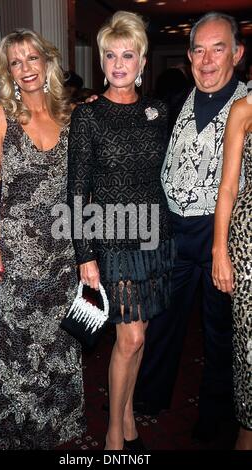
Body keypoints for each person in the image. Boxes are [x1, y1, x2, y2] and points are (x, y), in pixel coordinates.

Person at [135, 12, 246, 442]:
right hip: (173, 231)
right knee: (163, 319)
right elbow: (132, 124)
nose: (207, 59)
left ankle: (215, 420)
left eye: (218, 48)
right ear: (188, 55)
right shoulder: (174, 101)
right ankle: (149, 396)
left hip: (223, 236)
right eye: (198, 49)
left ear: (237, 53)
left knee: (220, 334)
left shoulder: (248, 103)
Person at [67, 11, 175, 451]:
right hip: (112, 239)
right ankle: (114, 432)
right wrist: (84, 254)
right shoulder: (88, 117)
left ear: (143, 62)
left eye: (127, 55)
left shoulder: (158, 111)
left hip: (154, 236)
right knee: (128, 337)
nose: (118, 63)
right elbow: (76, 191)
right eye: (110, 55)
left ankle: (127, 415)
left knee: (140, 336)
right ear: (101, 60)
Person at [0, 29, 85, 450]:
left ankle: (57, 429)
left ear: (47, 61)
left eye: (32, 59)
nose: (25, 69)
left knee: (61, 342)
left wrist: (86, 249)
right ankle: (20, 434)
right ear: (8, 69)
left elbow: (82, 189)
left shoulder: (71, 115)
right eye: (16, 62)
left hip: (62, 252)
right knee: (20, 349)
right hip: (16, 255)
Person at [212, 96, 252, 450]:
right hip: (249, 243)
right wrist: (219, 250)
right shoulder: (245, 108)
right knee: (249, 347)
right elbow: (228, 186)